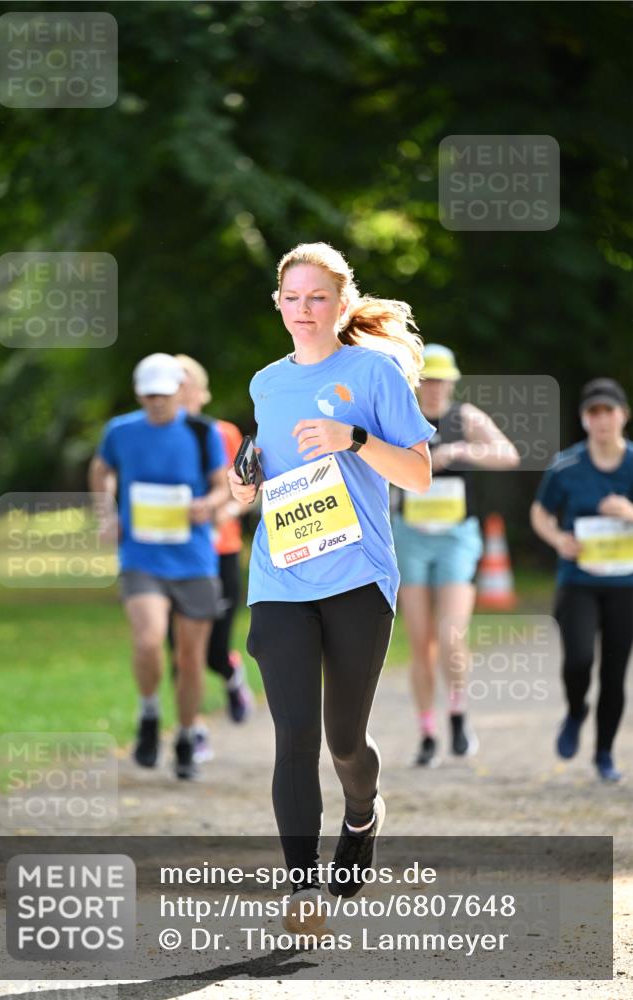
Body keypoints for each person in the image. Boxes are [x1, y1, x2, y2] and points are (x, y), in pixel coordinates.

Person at [227, 242, 435, 929]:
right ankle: (301, 889)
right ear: (278, 304)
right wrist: (243, 478)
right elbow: (264, 467)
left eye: (318, 297)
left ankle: (361, 812)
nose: (304, 310)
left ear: (341, 305)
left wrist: (352, 439)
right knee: (294, 736)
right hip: (281, 573)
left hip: (357, 575)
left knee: (344, 739)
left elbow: (417, 474)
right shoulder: (265, 382)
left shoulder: (373, 373)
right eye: (292, 297)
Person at [89, 353, 229, 780]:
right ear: (139, 393)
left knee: (190, 658)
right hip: (140, 556)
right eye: (149, 396)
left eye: (164, 396)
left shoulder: (203, 433)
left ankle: (186, 736)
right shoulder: (121, 431)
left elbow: (224, 487)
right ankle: (149, 714)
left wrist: (209, 503)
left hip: (193, 559)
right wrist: (105, 513)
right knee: (148, 640)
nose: (156, 403)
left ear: (179, 392)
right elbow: (100, 470)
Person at [391, 344, 520, 767]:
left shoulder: (465, 418)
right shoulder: (399, 417)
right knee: (421, 641)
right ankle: (427, 730)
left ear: (451, 382)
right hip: (410, 534)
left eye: (440, 381)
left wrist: (463, 451)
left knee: (451, 635)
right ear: (416, 382)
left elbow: (509, 455)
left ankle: (458, 713)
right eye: (426, 380)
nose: (433, 388)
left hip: (456, 537)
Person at [530, 377, 633, 782]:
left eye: (609, 411)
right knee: (578, 660)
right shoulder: (566, 466)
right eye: (594, 412)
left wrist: (628, 512)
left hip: (625, 586)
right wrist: (558, 539)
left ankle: (605, 754)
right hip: (578, 581)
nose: (603, 420)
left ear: (623, 415)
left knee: (614, 672)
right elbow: (540, 512)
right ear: (584, 420)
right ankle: (576, 710)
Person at [167, 355, 254, 763]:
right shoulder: (157, 434)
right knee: (180, 651)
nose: (178, 389)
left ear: (201, 391)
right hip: (170, 554)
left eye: (185, 382)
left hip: (219, 552)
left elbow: (246, 490)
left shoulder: (224, 433)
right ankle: (195, 729)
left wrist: (226, 510)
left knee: (213, 651)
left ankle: (232, 674)